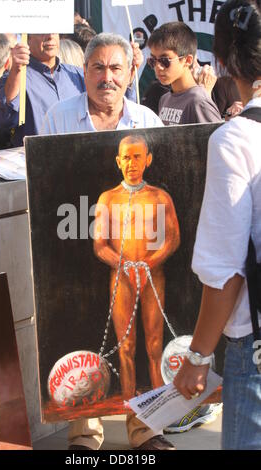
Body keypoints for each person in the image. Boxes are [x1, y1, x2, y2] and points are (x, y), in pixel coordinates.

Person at [41, 32, 181, 451]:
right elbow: (45, 188)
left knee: (150, 344)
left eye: (116, 68)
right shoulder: (57, 118)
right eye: (98, 68)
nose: (107, 77)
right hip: (70, 252)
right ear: (84, 72)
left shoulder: (148, 122)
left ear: (130, 71)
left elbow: (167, 220)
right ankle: (85, 434)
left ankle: (147, 430)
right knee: (88, 338)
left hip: (142, 263)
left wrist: (146, 257)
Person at [174, 0, 261, 450]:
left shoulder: (235, 140)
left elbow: (226, 272)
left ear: (221, 61)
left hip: (256, 347)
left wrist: (197, 357)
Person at [93, 134, 180, 400]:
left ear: (148, 160)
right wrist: (123, 265)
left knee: (155, 344)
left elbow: (173, 239)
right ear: (118, 162)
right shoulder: (107, 198)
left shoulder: (160, 197)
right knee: (125, 345)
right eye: (127, 158)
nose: (132, 163)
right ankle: (130, 402)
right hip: (122, 279)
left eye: (137, 157)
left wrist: (150, 263)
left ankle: (160, 400)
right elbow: (100, 245)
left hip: (154, 277)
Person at [0, 34, 142, 147]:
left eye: (54, 31)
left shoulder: (77, 74)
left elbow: (115, 106)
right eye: (42, 31)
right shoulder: (17, 77)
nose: (50, 36)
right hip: (41, 164)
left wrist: (130, 73)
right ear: (28, 38)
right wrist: (17, 70)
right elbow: (4, 119)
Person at [147, 22, 221, 125]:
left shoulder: (199, 101)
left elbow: (216, 140)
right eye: (153, 60)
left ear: (188, 60)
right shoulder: (164, 99)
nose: (158, 67)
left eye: (165, 60)